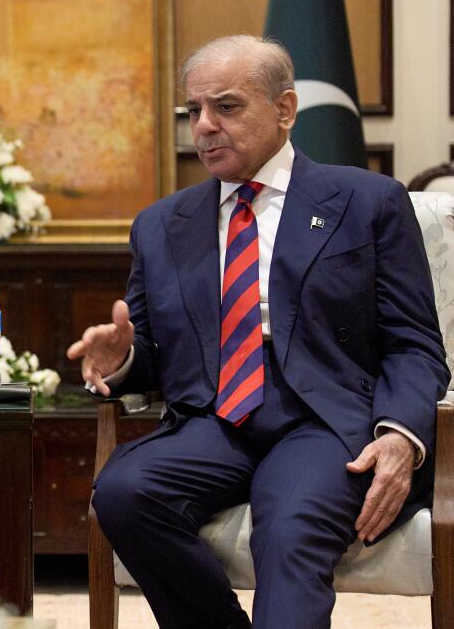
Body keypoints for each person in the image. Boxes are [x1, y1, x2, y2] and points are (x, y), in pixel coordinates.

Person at [70, 35, 449, 628]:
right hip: (214, 415)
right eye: (194, 110)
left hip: (325, 418)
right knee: (124, 491)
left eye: (226, 106)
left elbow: (415, 344)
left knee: (292, 522)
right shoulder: (161, 225)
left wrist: (400, 435)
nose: (205, 126)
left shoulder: (367, 201)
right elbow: (152, 354)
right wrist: (121, 360)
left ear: (285, 109)